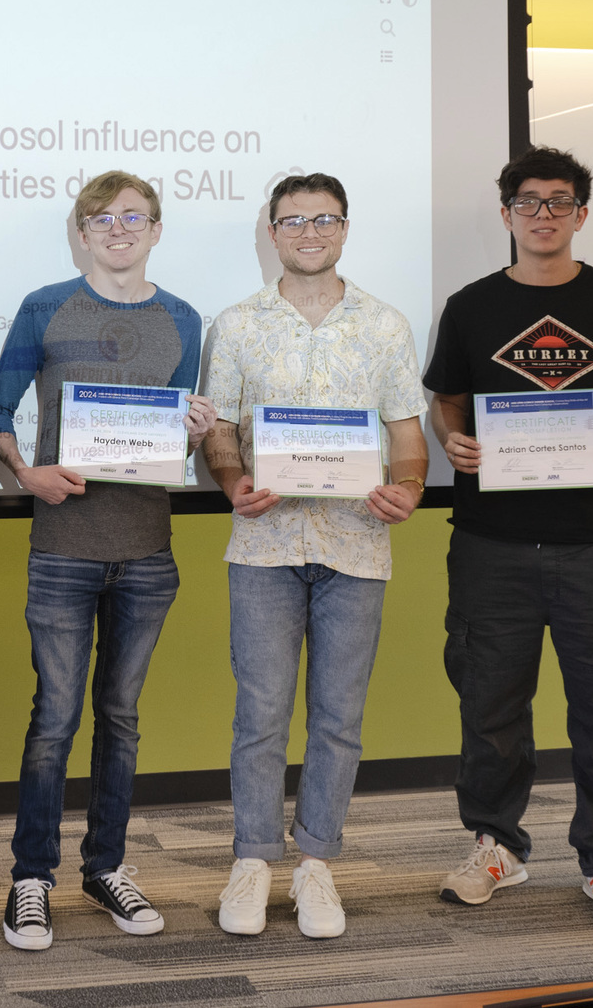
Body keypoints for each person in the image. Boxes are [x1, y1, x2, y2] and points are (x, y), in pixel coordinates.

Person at [423, 146, 593, 933]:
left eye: (559, 203)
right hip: (493, 540)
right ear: (506, 215)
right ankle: (496, 844)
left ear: (581, 216)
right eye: (528, 202)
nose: (543, 215)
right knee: (491, 708)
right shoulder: (470, 306)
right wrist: (454, 441)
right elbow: (446, 400)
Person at [0, 171, 215, 951]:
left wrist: (192, 430)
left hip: (148, 551)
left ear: (157, 229)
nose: (119, 228)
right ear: (81, 231)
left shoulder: (185, 319)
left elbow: (171, 435)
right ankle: (31, 878)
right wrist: (26, 474)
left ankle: (106, 864)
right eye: (102, 217)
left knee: (121, 718)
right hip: (61, 550)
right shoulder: (45, 306)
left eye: (135, 216)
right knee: (55, 718)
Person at [200, 172, 427, 940]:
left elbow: (406, 436)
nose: (307, 231)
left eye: (322, 218)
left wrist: (410, 486)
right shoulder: (235, 325)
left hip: (357, 544)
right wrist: (232, 481)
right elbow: (220, 432)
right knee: (259, 715)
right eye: (292, 219)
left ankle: (318, 864)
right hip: (263, 544)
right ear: (271, 231)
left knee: (338, 717)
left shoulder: (387, 325)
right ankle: (254, 860)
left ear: (344, 228)